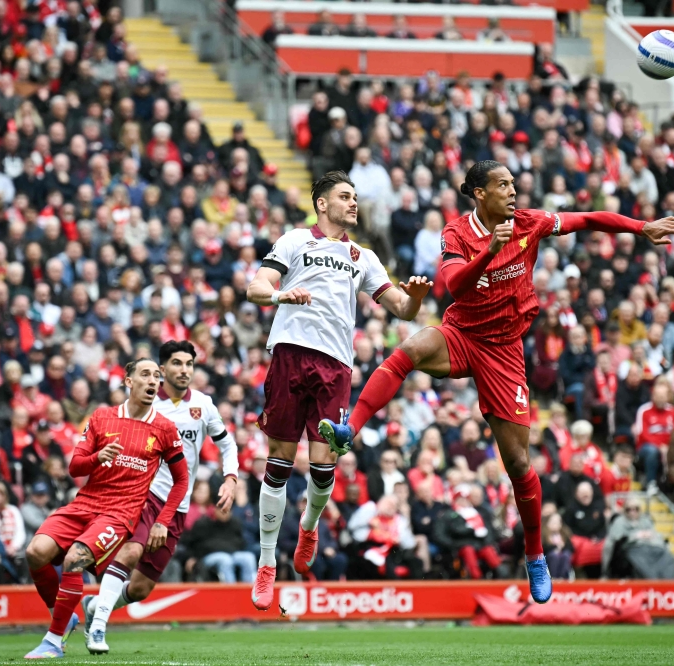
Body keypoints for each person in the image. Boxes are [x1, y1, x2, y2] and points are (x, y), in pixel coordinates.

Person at [320, 160, 674, 603]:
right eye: (503, 185)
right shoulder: (457, 232)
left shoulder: (529, 223)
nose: (514, 191)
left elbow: (587, 218)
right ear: (479, 193)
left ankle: (535, 555)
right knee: (410, 349)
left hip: (505, 352)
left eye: (514, 184)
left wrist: (640, 225)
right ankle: (349, 430)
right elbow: (453, 285)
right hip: (462, 332)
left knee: (517, 465)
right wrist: (490, 252)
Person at [244, 171, 431, 611]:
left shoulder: (362, 256)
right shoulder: (294, 241)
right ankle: (267, 562)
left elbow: (402, 309)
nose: (353, 203)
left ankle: (309, 526)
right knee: (279, 464)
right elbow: (255, 288)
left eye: (354, 197)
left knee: (324, 467)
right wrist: (281, 298)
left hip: (335, 367)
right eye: (344, 197)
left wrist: (418, 297)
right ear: (322, 204)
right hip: (290, 355)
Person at [22, 359, 187, 660]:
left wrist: (162, 521)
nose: (153, 381)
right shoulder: (101, 417)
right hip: (85, 503)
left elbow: (182, 481)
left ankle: (54, 640)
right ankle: (65, 617)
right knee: (35, 553)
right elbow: (74, 467)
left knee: (75, 558)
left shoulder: (164, 428)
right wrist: (98, 457)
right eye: (146, 375)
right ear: (128, 381)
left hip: (121, 512)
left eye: (157, 377)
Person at [81, 342, 237, 654]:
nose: (185, 370)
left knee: (140, 589)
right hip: (143, 494)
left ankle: (94, 605)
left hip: (178, 503)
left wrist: (231, 478)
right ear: (162, 370)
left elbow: (227, 444)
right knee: (130, 552)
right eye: (177, 364)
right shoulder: (147, 407)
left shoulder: (204, 405)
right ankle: (98, 626)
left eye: (190, 364)